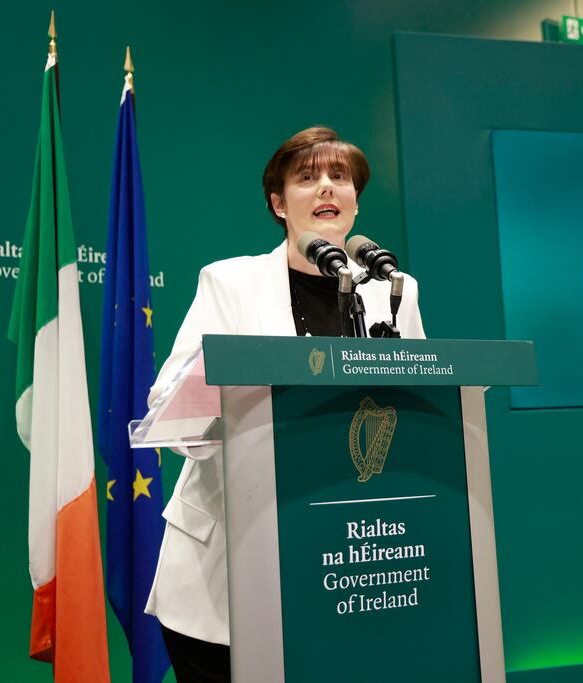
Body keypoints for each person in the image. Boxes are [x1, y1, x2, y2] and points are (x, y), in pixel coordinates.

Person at [144, 127, 426, 682]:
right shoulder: (231, 283)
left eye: (339, 177)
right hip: (228, 567)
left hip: (345, 562)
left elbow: (417, 403)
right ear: (278, 203)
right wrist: (225, 384)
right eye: (308, 178)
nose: (327, 187)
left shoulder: (395, 290)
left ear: (355, 201)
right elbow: (170, 406)